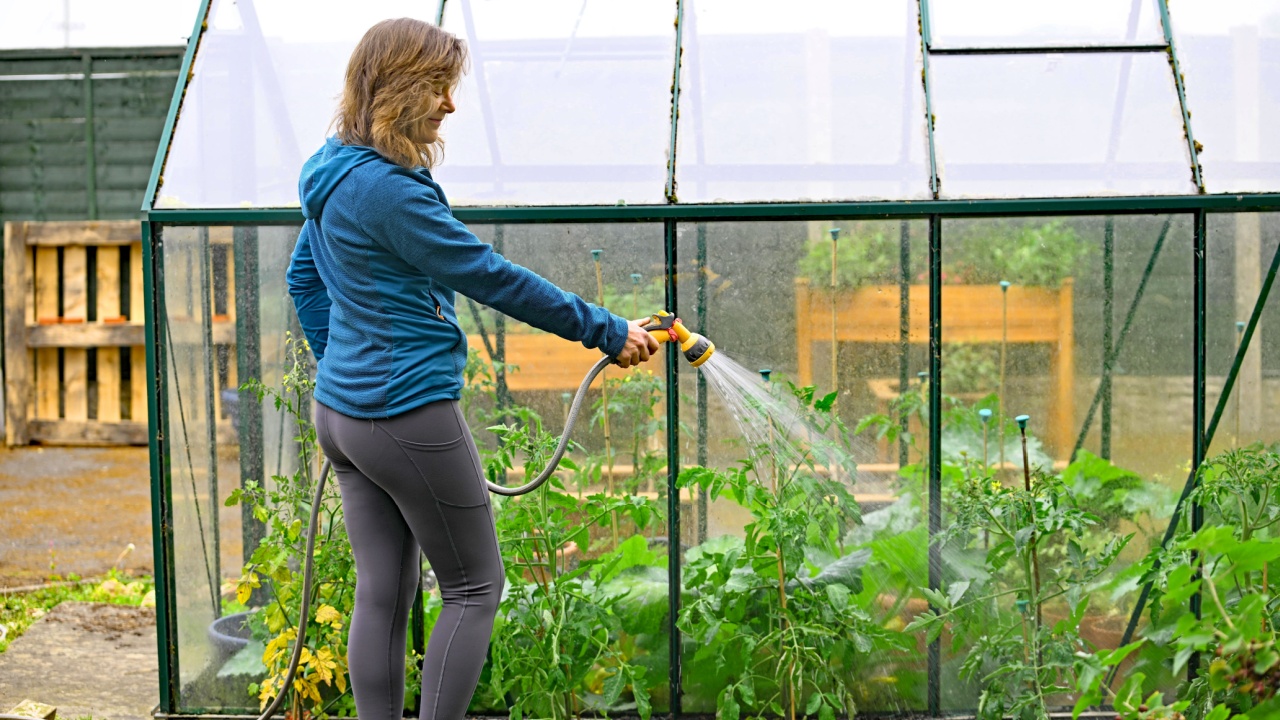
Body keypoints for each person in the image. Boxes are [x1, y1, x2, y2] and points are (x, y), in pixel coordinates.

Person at [285, 17, 660, 720]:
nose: (450, 105)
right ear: (395, 89)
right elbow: (489, 275)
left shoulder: (333, 169)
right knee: (473, 588)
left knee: (384, 593)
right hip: (402, 414)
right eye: (437, 88)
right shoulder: (387, 191)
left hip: (342, 416)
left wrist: (344, 363)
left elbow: (302, 280)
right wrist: (605, 330)